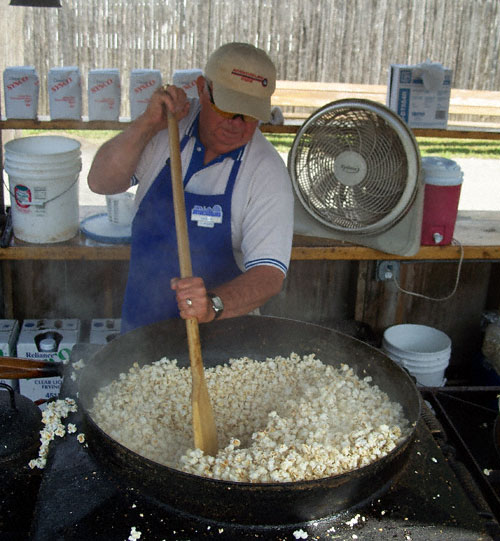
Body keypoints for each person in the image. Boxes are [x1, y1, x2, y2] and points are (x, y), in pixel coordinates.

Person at [88, 42, 294, 333]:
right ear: (202, 88)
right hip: (141, 327)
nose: (237, 124)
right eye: (227, 108)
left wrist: (213, 305)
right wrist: (146, 125)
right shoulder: (166, 130)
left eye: (249, 114)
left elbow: (269, 275)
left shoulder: (267, 172)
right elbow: (101, 182)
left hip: (226, 341)